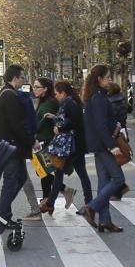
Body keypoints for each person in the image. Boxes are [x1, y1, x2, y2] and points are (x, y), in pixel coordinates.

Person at [77, 65, 124, 233]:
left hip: (99, 145)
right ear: (99, 79)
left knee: (104, 182)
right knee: (118, 178)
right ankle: (91, 208)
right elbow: (100, 125)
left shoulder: (96, 96)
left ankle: (105, 220)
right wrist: (112, 146)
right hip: (103, 145)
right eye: (108, 77)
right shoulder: (98, 98)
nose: (110, 80)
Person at [0, 65, 33, 220]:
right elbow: (16, 124)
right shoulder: (10, 96)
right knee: (12, 180)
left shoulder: (5, 93)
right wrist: (31, 141)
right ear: (15, 78)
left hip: (11, 145)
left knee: (19, 178)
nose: (23, 81)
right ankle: (3, 213)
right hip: (10, 146)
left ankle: (0, 208)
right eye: (22, 77)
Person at [43, 79, 91, 212]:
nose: (56, 96)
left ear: (63, 93)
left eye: (57, 94)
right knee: (67, 173)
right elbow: (68, 119)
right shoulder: (70, 102)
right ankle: (89, 203)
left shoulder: (70, 104)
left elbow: (74, 122)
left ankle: (51, 203)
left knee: (64, 173)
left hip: (72, 146)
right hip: (73, 146)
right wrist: (55, 117)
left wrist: (60, 128)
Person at [31, 77, 59, 214]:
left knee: (44, 171)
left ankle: (49, 199)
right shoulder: (43, 101)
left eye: (37, 87)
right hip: (42, 141)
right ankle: (48, 200)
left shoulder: (49, 103)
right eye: (34, 86)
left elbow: (43, 122)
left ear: (46, 89)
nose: (34, 89)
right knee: (43, 172)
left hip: (47, 142)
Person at [14, 83, 43, 218]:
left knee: (18, 177)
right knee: (21, 175)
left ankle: (2, 208)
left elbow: (20, 124)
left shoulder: (17, 98)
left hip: (17, 143)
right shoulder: (26, 99)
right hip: (24, 142)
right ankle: (35, 207)